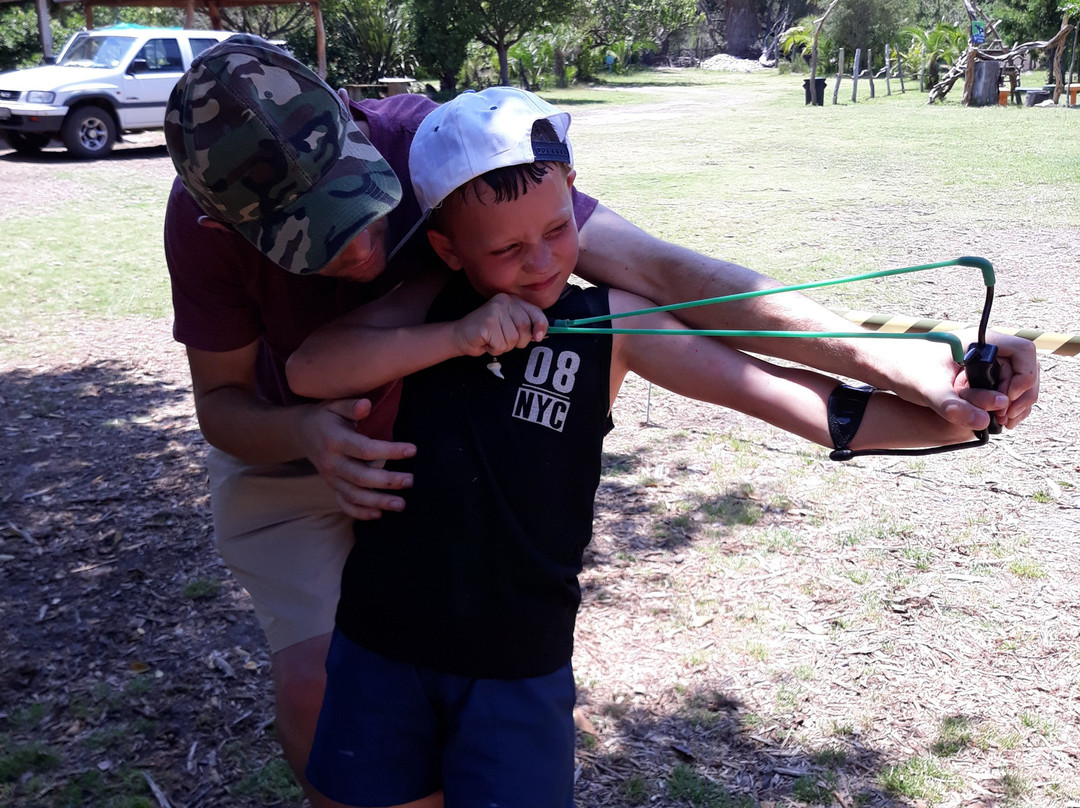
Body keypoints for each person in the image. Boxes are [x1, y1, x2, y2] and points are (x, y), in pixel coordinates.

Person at [162, 36, 1039, 802]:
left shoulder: (449, 156)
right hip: (290, 445)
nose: (355, 250)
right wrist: (308, 434)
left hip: (469, 517)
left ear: (354, 127)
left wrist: (918, 361)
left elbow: (678, 281)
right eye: (308, 235)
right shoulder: (205, 225)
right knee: (326, 691)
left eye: (356, 206)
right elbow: (234, 404)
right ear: (221, 218)